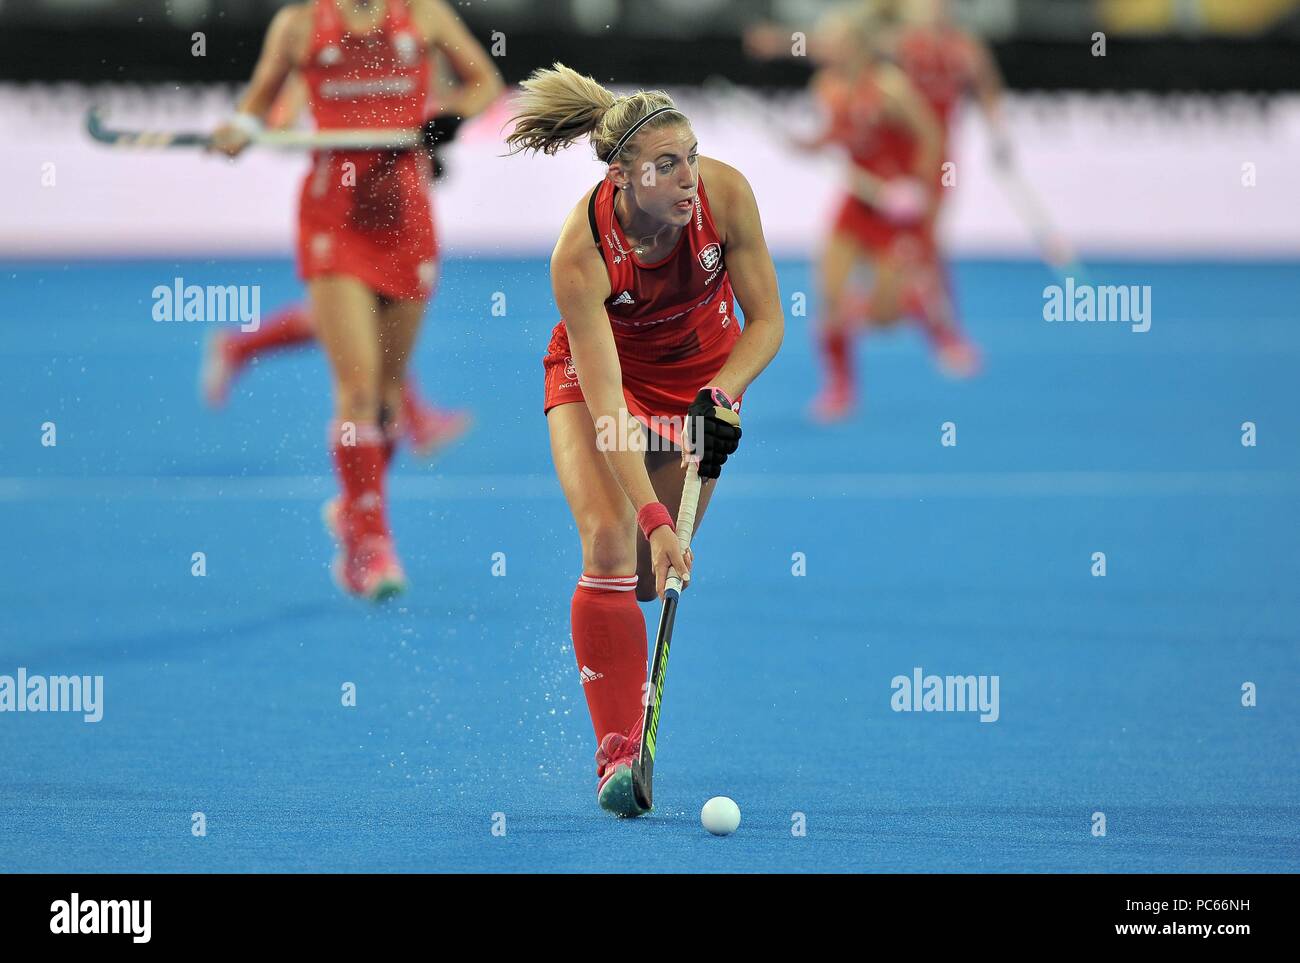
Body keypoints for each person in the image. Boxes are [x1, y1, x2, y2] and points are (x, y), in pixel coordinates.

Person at [505, 64, 784, 816]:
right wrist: (654, 519)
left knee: (648, 583)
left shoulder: (725, 195)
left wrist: (724, 393)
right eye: (665, 165)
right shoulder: (581, 254)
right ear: (622, 178)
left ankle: (619, 655)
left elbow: (768, 322)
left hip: (699, 387)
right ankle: (617, 754)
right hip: (606, 386)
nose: (686, 176)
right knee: (609, 541)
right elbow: (605, 411)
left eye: (689, 154)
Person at [209, 0, 503, 599]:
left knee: (390, 401)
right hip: (334, 218)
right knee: (360, 392)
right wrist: (240, 129)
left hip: (405, 215)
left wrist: (449, 117)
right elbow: (258, 103)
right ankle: (371, 545)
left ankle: (353, 510)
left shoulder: (424, 16)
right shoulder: (299, 25)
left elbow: (485, 82)